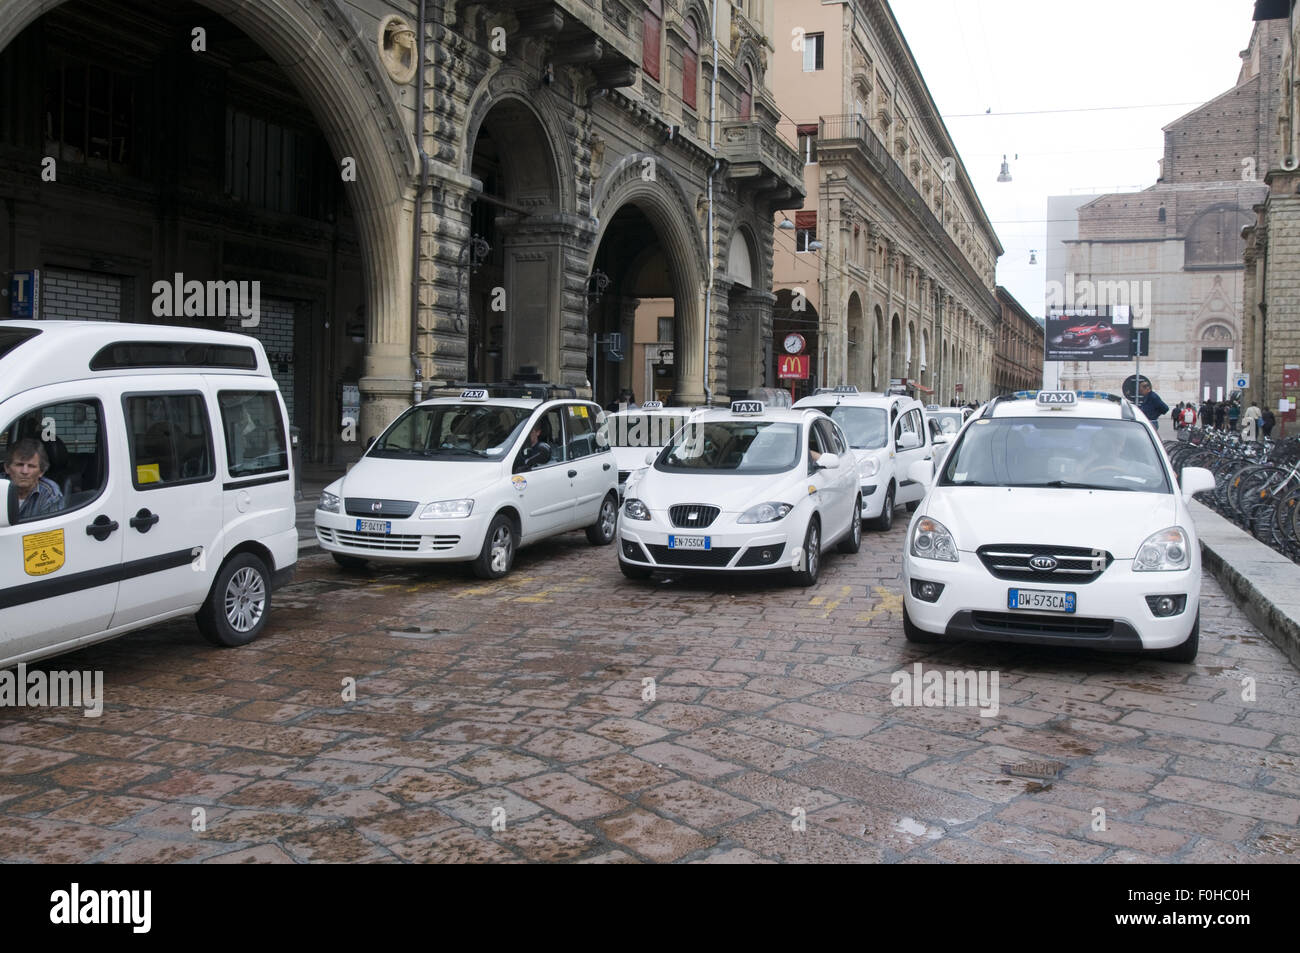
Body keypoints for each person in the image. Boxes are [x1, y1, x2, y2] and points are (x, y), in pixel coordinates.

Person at [4, 438, 63, 520]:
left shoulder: (50, 493)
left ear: (41, 472)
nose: (25, 471)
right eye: (19, 465)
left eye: (31, 466)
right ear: (7, 468)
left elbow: (50, 529)